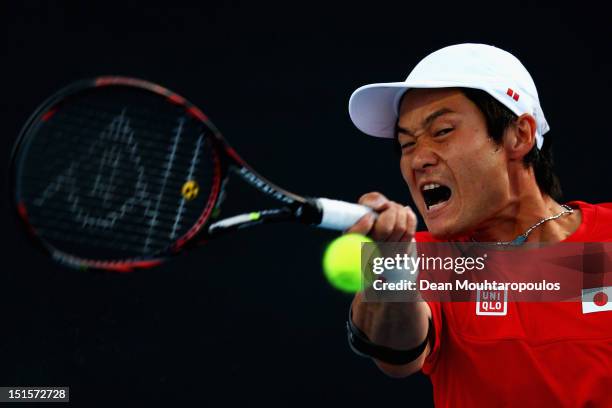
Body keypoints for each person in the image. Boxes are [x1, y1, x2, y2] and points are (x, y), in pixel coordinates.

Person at [345, 43, 612, 407]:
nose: (418, 159)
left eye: (441, 131)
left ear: (518, 135)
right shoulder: (425, 259)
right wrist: (388, 262)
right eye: (406, 144)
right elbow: (396, 354)